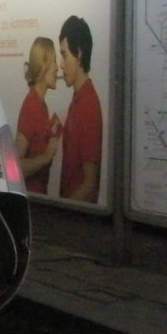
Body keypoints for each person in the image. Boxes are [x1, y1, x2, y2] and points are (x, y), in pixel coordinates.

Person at [58, 16, 103, 203]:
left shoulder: (88, 105)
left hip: (78, 219)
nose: (61, 64)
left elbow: (89, 183)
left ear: (80, 54)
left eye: (64, 54)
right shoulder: (78, 99)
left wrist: (64, 214)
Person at [16, 37, 60, 195]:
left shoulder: (41, 105)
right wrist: (46, 156)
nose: (57, 68)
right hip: (32, 201)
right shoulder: (32, 106)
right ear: (43, 66)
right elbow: (16, 167)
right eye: (54, 61)